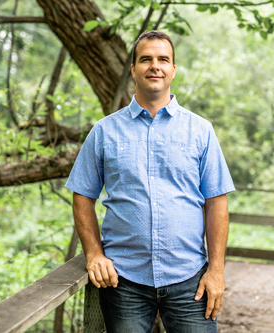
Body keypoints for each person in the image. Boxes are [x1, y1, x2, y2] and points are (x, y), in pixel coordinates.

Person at [65, 30, 235, 333]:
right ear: (133, 69)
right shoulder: (105, 131)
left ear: (172, 70)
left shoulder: (200, 131)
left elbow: (217, 202)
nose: (154, 65)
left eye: (163, 59)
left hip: (190, 280)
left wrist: (217, 271)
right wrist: (93, 254)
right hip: (124, 281)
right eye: (146, 59)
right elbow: (82, 196)